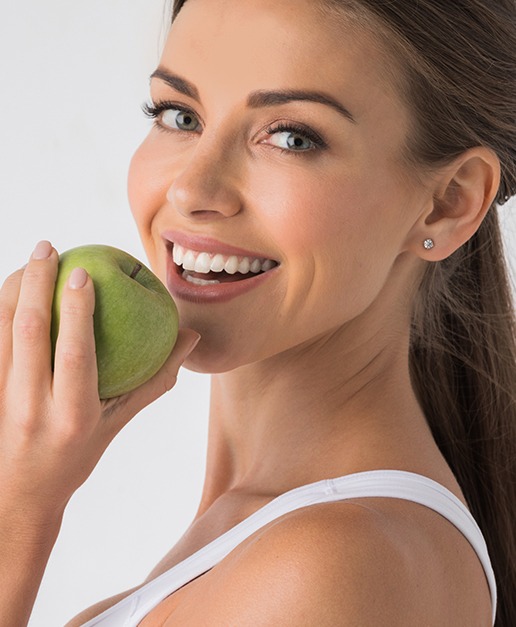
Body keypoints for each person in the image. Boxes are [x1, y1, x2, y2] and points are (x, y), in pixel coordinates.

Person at [1, 0, 515, 624]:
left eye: (292, 137)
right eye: (179, 114)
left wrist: (17, 512)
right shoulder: (279, 536)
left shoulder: (333, 564)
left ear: (449, 203)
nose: (192, 191)